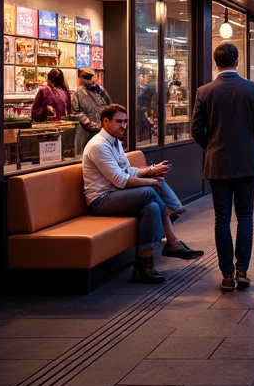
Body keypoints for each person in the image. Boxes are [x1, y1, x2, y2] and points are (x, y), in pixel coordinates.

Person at [83, 105, 203, 284]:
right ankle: (173, 236)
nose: (123, 126)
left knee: (152, 206)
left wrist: (151, 170)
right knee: (150, 190)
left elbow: (127, 170)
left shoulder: (114, 142)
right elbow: (120, 180)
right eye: (119, 122)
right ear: (105, 122)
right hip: (101, 200)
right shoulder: (99, 145)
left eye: (125, 122)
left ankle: (143, 267)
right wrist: (151, 181)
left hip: (117, 195)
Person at [190, 42, 254, 292]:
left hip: (217, 164)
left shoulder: (204, 91)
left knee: (221, 218)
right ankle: (242, 269)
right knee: (245, 215)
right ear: (237, 61)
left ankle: (226, 274)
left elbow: (195, 130)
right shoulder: (252, 88)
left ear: (216, 63)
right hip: (246, 162)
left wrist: (212, 144)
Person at [71, 66, 112, 156]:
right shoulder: (78, 93)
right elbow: (76, 113)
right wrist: (92, 125)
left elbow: (111, 109)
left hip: (101, 133)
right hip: (86, 133)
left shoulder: (101, 91)